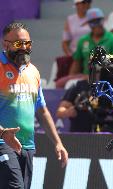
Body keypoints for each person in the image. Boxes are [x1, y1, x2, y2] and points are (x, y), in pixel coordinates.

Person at [0, 22, 68, 189]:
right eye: (18, 43)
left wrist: (58, 142)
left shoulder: (33, 71)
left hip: (28, 146)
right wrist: (2, 133)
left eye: (27, 43)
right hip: (2, 144)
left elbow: (42, 110)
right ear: (5, 44)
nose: (23, 47)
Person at [69, 7, 113, 76]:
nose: (97, 25)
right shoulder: (83, 40)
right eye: (93, 22)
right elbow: (76, 63)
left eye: (99, 21)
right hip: (86, 78)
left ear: (103, 21)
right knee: (62, 83)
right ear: (88, 24)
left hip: (108, 78)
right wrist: (71, 78)